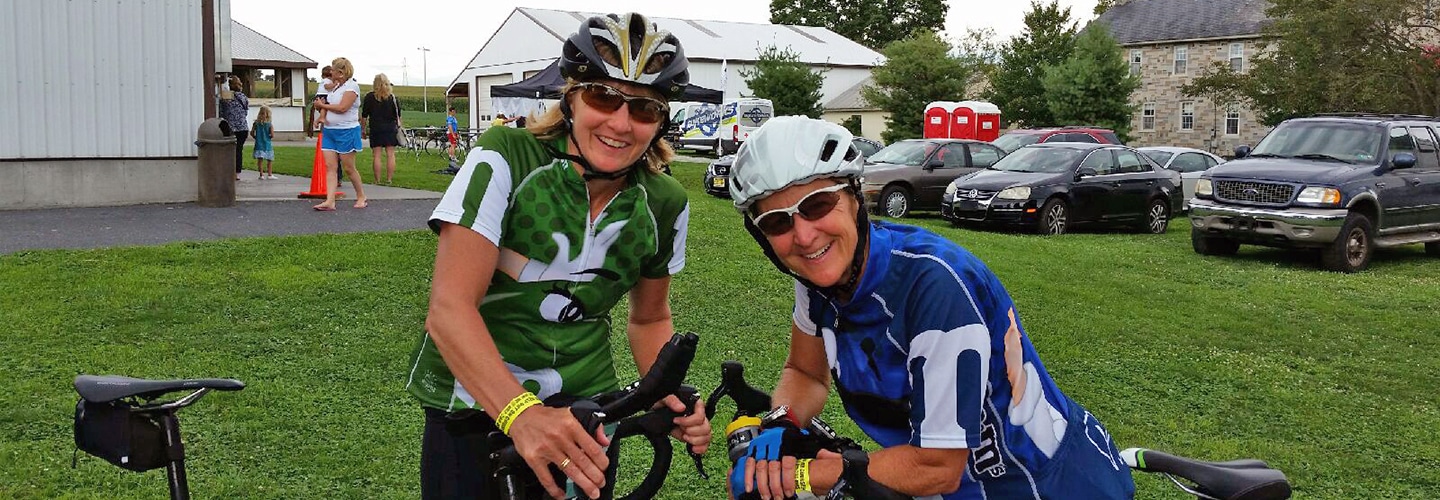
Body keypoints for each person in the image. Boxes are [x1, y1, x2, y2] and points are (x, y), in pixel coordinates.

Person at [724, 116, 1136, 500]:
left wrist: (802, 474)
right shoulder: (819, 279)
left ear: (853, 198)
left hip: (1043, 484)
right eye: (778, 222)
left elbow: (938, 465)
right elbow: (805, 373)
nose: (804, 235)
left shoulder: (935, 287)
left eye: (816, 206)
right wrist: (781, 422)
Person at [408, 12, 709, 500]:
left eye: (644, 109)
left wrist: (666, 391)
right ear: (570, 99)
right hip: (472, 402)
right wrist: (521, 415)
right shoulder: (505, 155)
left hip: (585, 410)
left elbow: (650, 318)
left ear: (661, 123)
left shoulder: (665, 202)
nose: (620, 122)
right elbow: (449, 309)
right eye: (603, 96)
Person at [310, 57, 367, 211]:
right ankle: (330, 200)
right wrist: (320, 111)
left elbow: (343, 108)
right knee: (330, 166)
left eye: (333, 70)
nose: (331, 72)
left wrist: (322, 105)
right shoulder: (334, 87)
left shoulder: (352, 87)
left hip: (347, 131)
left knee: (349, 168)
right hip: (330, 131)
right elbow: (328, 105)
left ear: (340, 73)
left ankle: (361, 195)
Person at [361, 73, 402, 185]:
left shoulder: (370, 97)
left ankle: (377, 180)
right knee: (390, 154)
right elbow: (398, 116)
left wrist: (363, 129)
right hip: (390, 128)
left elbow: (364, 115)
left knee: (377, 155)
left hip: (376, 128)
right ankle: (389, 179)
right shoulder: (393, 98)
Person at [218, 75, 249, 181]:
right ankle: (237, 173)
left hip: (230, 127)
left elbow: (221, 112)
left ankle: (227, 171)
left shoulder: (225, 97)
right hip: (243, 127)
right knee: (239, 150)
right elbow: (245, 112)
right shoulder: (243, 97)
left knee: (228, 150)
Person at [252, 105, 275, 180]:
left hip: (258, 145)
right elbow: (272, 135)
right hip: (267, 145)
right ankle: (270, 174)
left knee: (260, 161)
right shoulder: (269, 124)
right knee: (269, 160)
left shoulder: (256, 123)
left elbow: (252, 133)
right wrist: (269, 137)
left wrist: (256, 137)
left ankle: (261, 175)